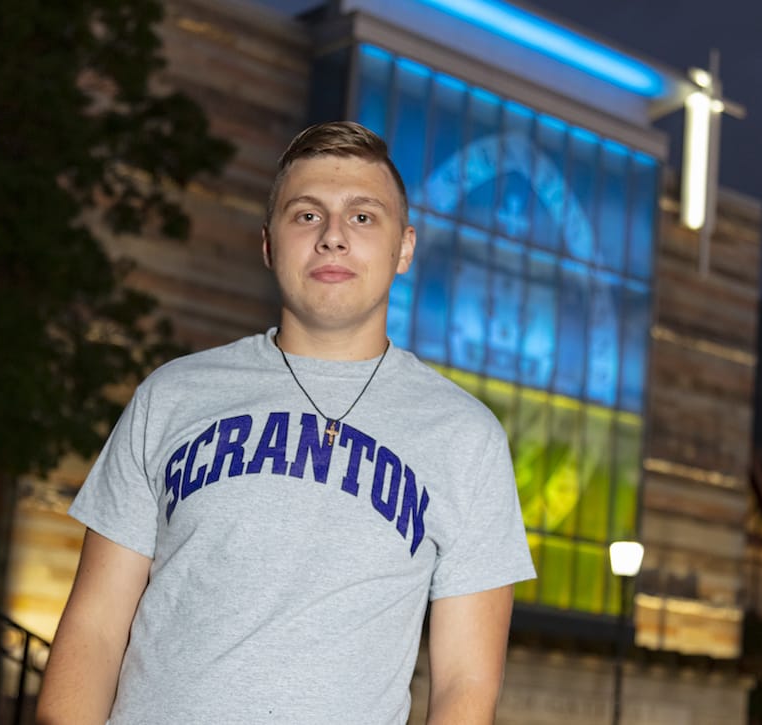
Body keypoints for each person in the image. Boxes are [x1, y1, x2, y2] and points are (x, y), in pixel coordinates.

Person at [37, 121, 535, 724]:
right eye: (306, 216)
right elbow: (93, 626)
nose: (331, 238)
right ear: (269, 244)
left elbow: (465, 683)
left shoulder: (465, 437)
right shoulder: (171, 396)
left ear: (404, 248)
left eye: (362, 217)